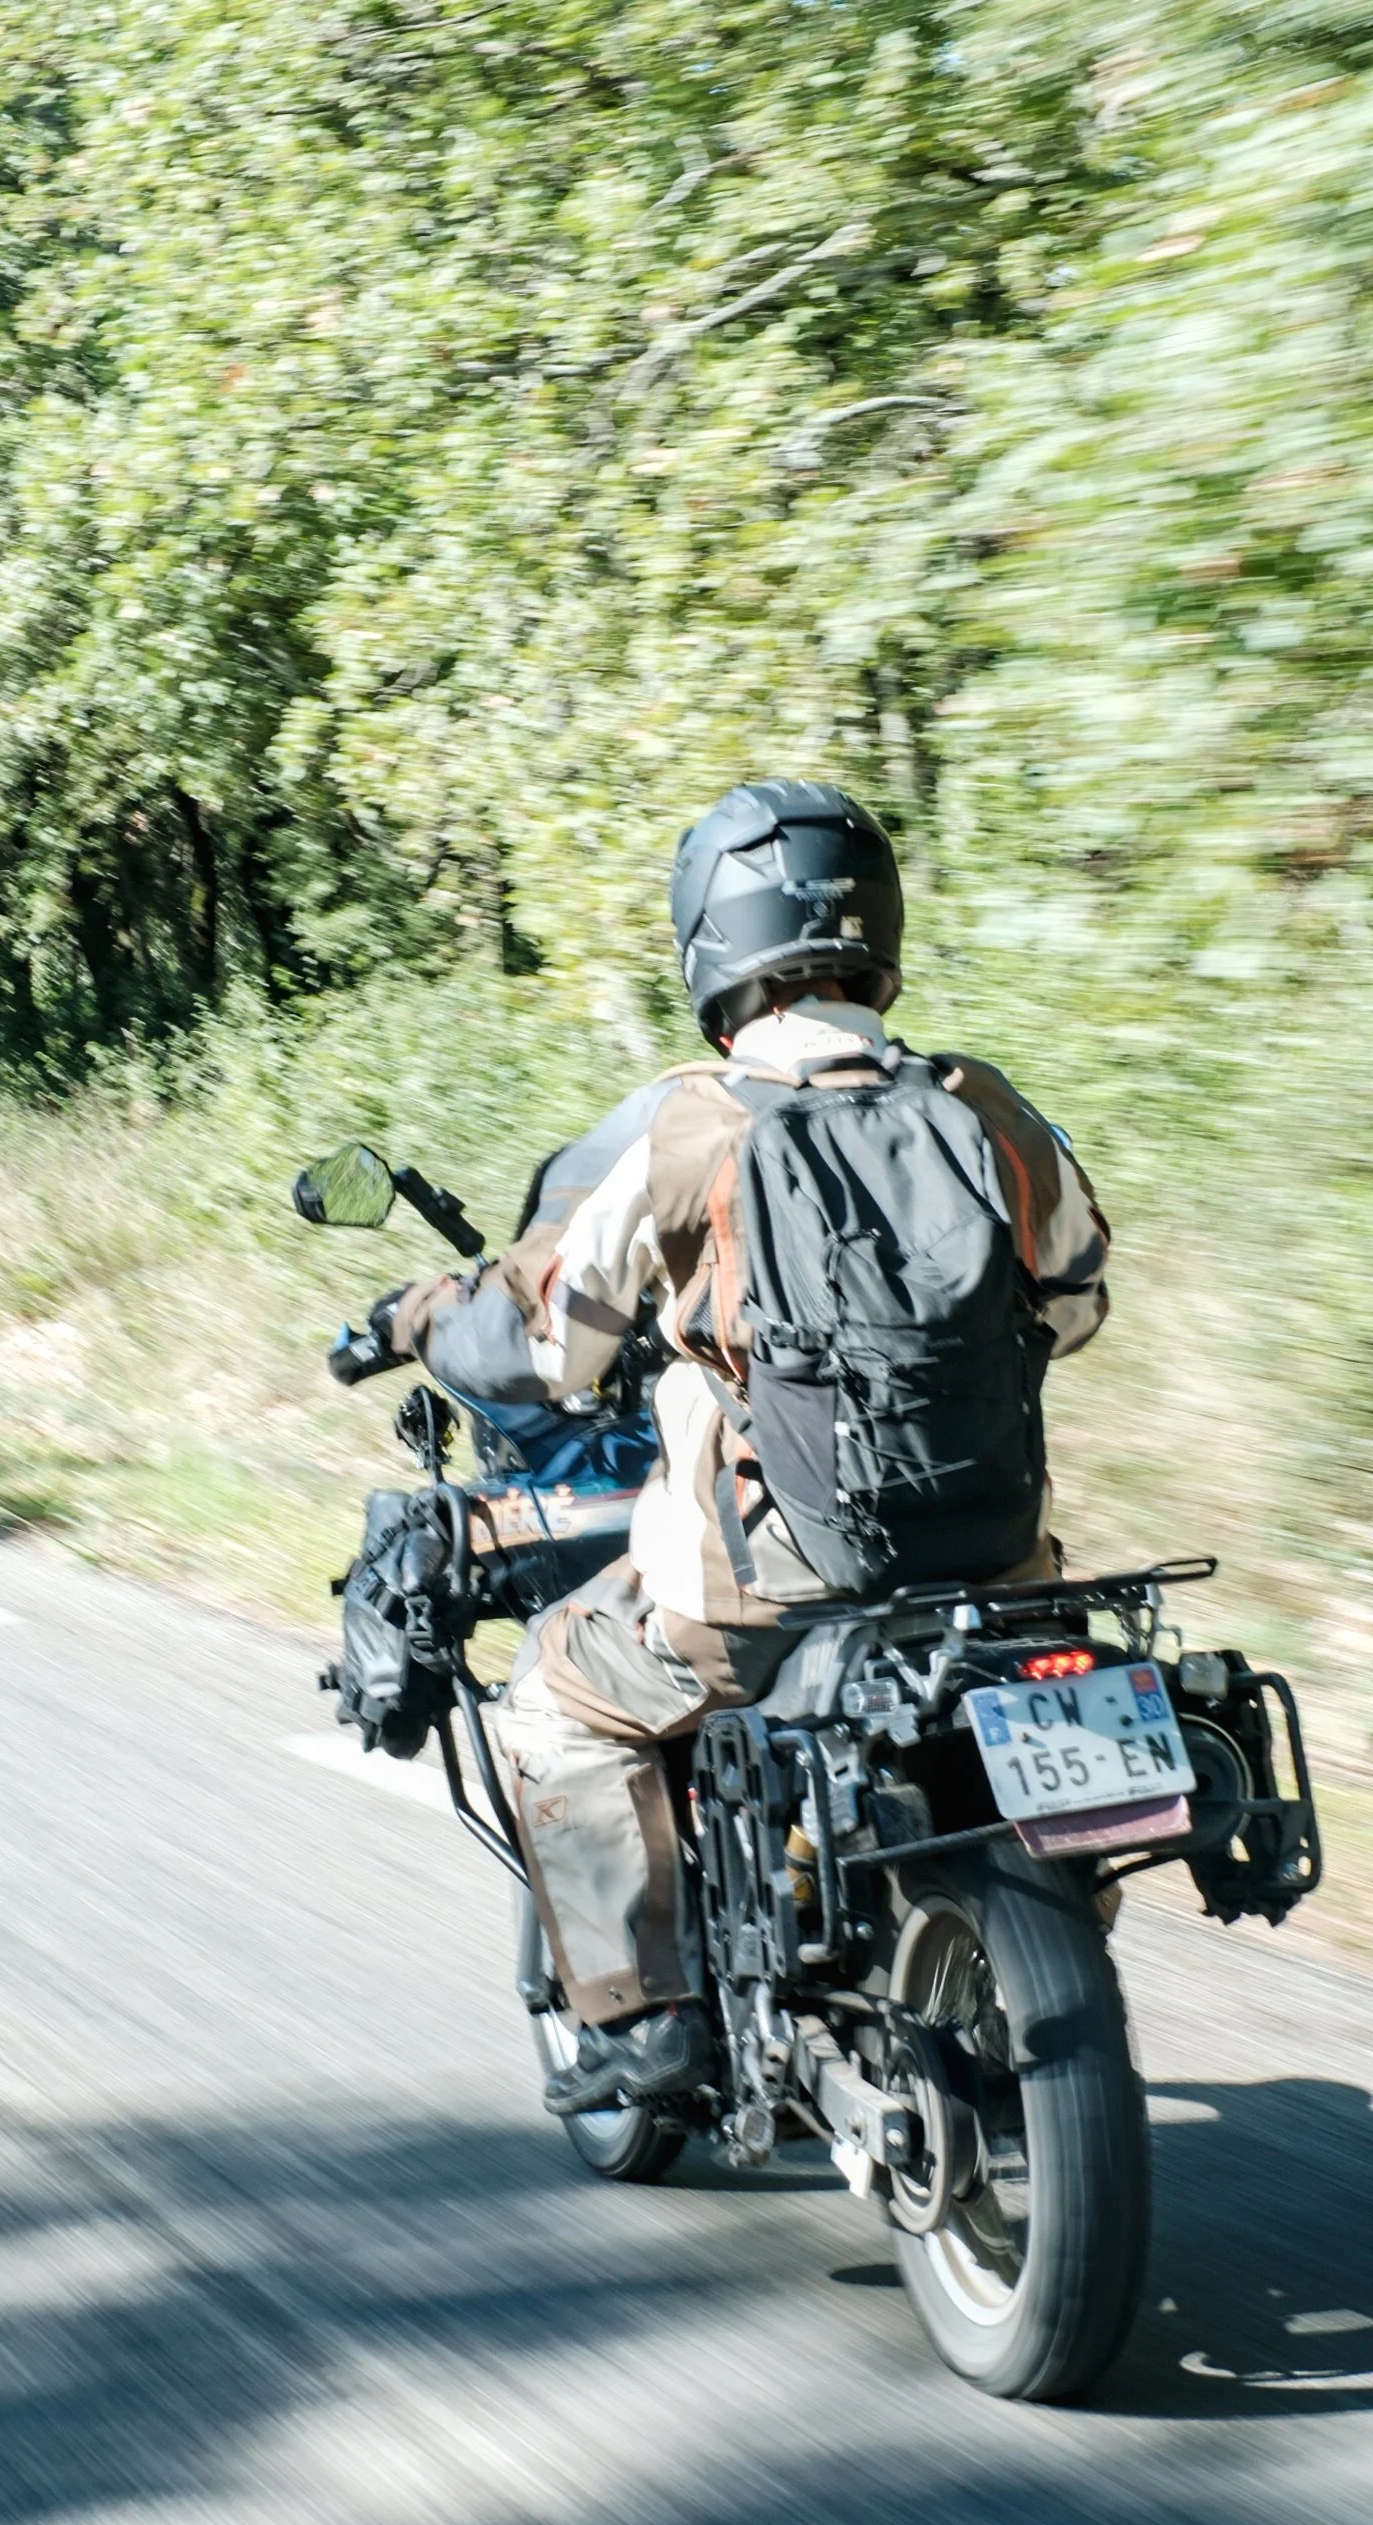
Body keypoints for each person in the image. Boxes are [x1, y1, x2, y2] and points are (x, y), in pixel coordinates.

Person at [383, 779, 1111, 2114]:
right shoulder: (987, 1107)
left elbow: (557, 1354)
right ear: (876, 927)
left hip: (757, 1601)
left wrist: (442, 1321)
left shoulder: (692, 1127)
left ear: (711, 944)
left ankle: (644, 2024)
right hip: (1001, 1577)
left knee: (554, 1699)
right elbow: (1077, 1308)